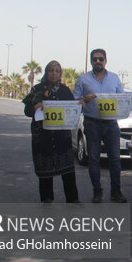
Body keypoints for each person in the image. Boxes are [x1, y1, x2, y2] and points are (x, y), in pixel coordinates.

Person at [73, 48, 127, 203]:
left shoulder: (115, 79)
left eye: (101, 59)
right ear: (91, 61)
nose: (98, 61)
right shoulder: (83, 79)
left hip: (111, 124)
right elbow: (75, 101)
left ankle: (116, 191)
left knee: (115, 160)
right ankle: (97, 191)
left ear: (105, 60)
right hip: (92, 123)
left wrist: (129, 101)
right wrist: (84, 99)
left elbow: (121, 98)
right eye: (95, 59)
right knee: (94, 160)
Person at [23, 60, 79, 203]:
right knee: (45, 171)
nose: (54, 73)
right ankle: (47, 199)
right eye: (51, 70)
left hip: (62, 137)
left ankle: (72, 200)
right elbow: (27, 111)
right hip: (43, 137)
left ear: (60, 74)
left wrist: (81, 103)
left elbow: (72, 109)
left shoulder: (65, 91)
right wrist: (35, 106)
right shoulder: (37, 89)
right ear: (46, 72)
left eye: (57, 71)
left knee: (68, 171)